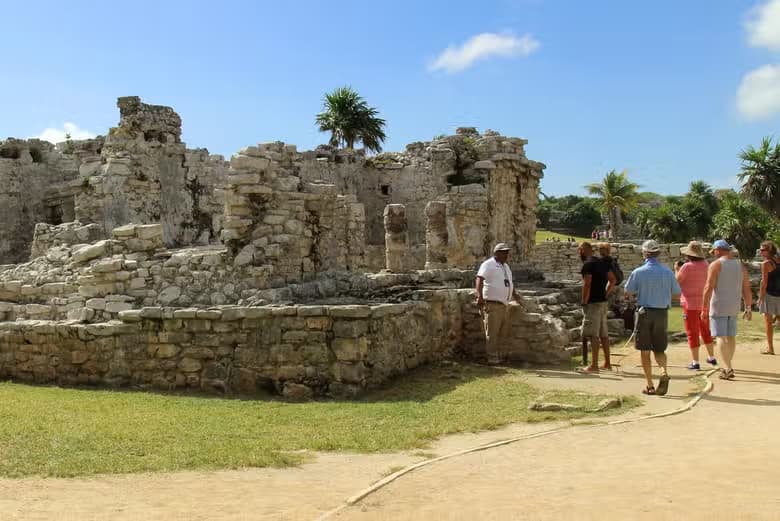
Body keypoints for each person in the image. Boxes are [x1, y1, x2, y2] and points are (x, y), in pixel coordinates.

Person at [624, 240, 681, 395]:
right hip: (662, 313)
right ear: (658, 253)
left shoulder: (638, 272)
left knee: (644, 350)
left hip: (644, 312)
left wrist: (635, 296)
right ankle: (663, 372)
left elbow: (627, 291)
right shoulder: (668, 272)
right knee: (659, 348)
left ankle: (649, 385)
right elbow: (677, 293)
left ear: (644, 254)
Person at [701, 239, 753, 380]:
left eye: (714, 251)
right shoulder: (740, 265)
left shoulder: (716, 264)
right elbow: (746, 288)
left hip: (719, 305)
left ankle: (727, 368)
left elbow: (708, 287)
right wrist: (748, 307)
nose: (713, 253)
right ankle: (727, 364)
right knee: (730, 336)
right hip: (734, 305)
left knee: (720, 336)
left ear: (718, 250)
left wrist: (703, 308)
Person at [476, 243, 521, 365]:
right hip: (493, 303)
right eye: (503, 252)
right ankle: (492, 358)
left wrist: (515, 295)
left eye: (507, 252)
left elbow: (509, 283)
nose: (506, 254)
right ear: (496, 253)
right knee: (492, 333)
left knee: (503, 332)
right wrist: (479, 296)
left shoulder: (505, 266)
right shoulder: (488, 264)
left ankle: (500, 356)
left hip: (504, 304)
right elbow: (479, 279)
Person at [675, 241, 716, 370]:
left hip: (690, 304)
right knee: (705, 331)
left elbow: (677, 281)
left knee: (692, 332)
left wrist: (676, 269)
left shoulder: (686, 267)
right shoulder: (706, 265)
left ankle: (695, 361)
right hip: (704, 303)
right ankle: (711, 357)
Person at [578, 241, 616, 373]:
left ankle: (594, 365)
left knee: (593, 334)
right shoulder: (602, 263)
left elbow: (587, 283)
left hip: (593, 303)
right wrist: (606, 293)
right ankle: (607, 363)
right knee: (603, 334)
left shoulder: (587, 265)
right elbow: (613, 279)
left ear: (583, 250)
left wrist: (584, 301)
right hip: (603, 302)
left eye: (579, 250)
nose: (579, 253)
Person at [758, 240, 780, 355]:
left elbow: (764, 282)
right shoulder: (778, 260)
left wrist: (760, 297)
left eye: (762, 250)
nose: (760, 252)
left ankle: (770, 348)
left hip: (769, 294)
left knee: (768, 322)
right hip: (778, 294)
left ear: (769, 251)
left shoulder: (766, 263)